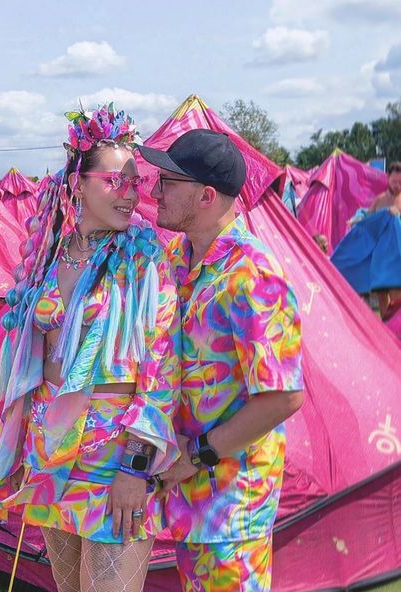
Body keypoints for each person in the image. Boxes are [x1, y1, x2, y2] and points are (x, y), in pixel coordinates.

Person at [0, 104, 181, 592]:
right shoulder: (51, 251)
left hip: (113, 458)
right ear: (78, 183)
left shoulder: (145, 257)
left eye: (136, 183)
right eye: (116, 181)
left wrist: (137, 467)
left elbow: (161, 370)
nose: (131, 194)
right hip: (50, 450)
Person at [138, 129, 304, 592]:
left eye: (167, 182)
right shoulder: (176, 256)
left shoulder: (254, 276)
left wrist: (196, 455)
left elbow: (284, 397)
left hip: (233, 507)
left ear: (206, 196)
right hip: (192, 500)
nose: (154, 192)